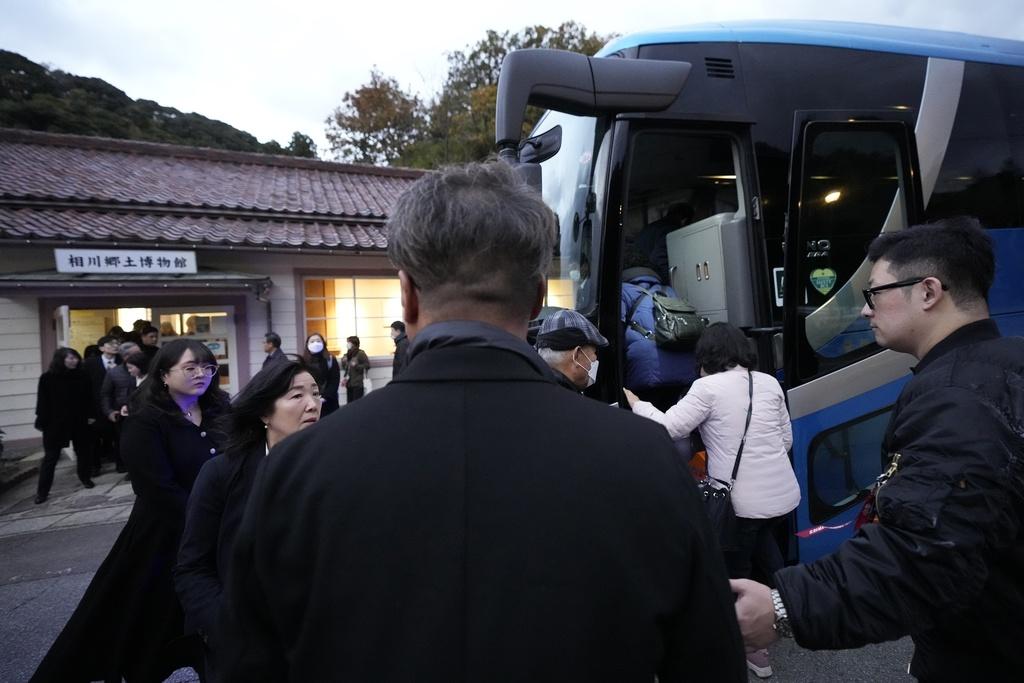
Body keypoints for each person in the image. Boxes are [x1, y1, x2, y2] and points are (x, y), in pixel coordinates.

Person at [215, 162, 746, 681]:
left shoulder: (297, 469)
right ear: (539, 297)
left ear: (407, 293)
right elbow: (708, 660)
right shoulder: (644, 456)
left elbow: (250, 661)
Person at [732, 217, 1024, 680]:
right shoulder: (1004, 365)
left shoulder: (956, 397)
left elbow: (923, 553)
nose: (866, 311)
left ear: (928, 292)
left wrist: (782, 607)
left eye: (874, 293)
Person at [30, 339, 230, 683]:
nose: (201, 374)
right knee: (145, 627)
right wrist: (206, 525)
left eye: (208, 368)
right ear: (164, 375)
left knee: (212, 626)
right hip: (164, 536)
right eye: (190, 367)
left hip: (218, 534)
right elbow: (155, 486)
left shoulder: (220, 410)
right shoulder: (146, 419)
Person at [625, 322, 799, 678]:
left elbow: (669, 427)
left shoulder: (706, 388)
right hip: (782, 495)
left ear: (707, 354)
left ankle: (755, 651)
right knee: (766, 545)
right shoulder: (767, 381)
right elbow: (785, 440)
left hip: (741, 502)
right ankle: (797, 608)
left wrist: (637, 402)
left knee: (736, 571)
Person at [175, 360, 321, 678]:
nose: (312, 404)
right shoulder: (221, 474)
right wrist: (225, 627)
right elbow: (192, 568)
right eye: (296, 396)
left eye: (316, 393)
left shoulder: (336, 468)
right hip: (244, 649)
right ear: (264, 412)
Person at [620, 246, 699, 411]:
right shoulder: (669, 291)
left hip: (646, 372)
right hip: (685, 367)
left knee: (648, 421)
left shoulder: (623, 291)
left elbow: (617, 333)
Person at [33, 347, 95, 503]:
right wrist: (42, 420)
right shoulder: (47, 378)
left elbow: (90, 398)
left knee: (84, 452)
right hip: (55, 423)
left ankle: (85, 478)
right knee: (51, 457)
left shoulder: (83, 376)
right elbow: (43, 402)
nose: (74, 360)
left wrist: (92, 415)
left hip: (79, 421)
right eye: (70, 358)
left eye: (76, 358)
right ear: (61, 359)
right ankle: (42, 492)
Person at [534, 309, 609, 393]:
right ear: (576, 355)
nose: (596, 358)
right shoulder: (577, 405)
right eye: (594, 352)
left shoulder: (529, 391)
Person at [82, 334, 122, 475]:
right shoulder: (90, 363)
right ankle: (95, 466)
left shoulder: (122, 361)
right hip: (96, 406)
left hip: (118, 405)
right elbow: (85, 387)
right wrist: (88, 412)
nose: (115, 346)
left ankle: (121, 464)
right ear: (101, 348)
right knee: (95, 438)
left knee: (119, 437)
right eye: (111, 344)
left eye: (117, 343)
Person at [100, 341, 141, 473]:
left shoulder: (149, 369)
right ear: (125, 357)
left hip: (143, 411)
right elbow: (105, 394)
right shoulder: (114, 373)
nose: (141, 355)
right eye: (137, 353)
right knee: (125, 443)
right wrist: (109, 411)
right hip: (123, 414)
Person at [302, 332, 340, 415]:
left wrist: (324, 397)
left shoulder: (330, 359)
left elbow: (334, 381)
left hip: (329, 403)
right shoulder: (303, 361)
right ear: (307, 344)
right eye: (312, 341)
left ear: (323, 343)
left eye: (318, 341)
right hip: (309, 403)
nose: (315, 343)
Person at [341, 335, 371, 403]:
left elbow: (367, 365)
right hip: (349, 383)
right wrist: (343, 362)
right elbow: (345, 368)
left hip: (357, 383)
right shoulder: (347, 354)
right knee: (349, 403)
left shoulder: (360, 353)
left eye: (349, 342)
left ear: (354, 344)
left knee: (357, 403)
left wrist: (357, 366)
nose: (347, 344)